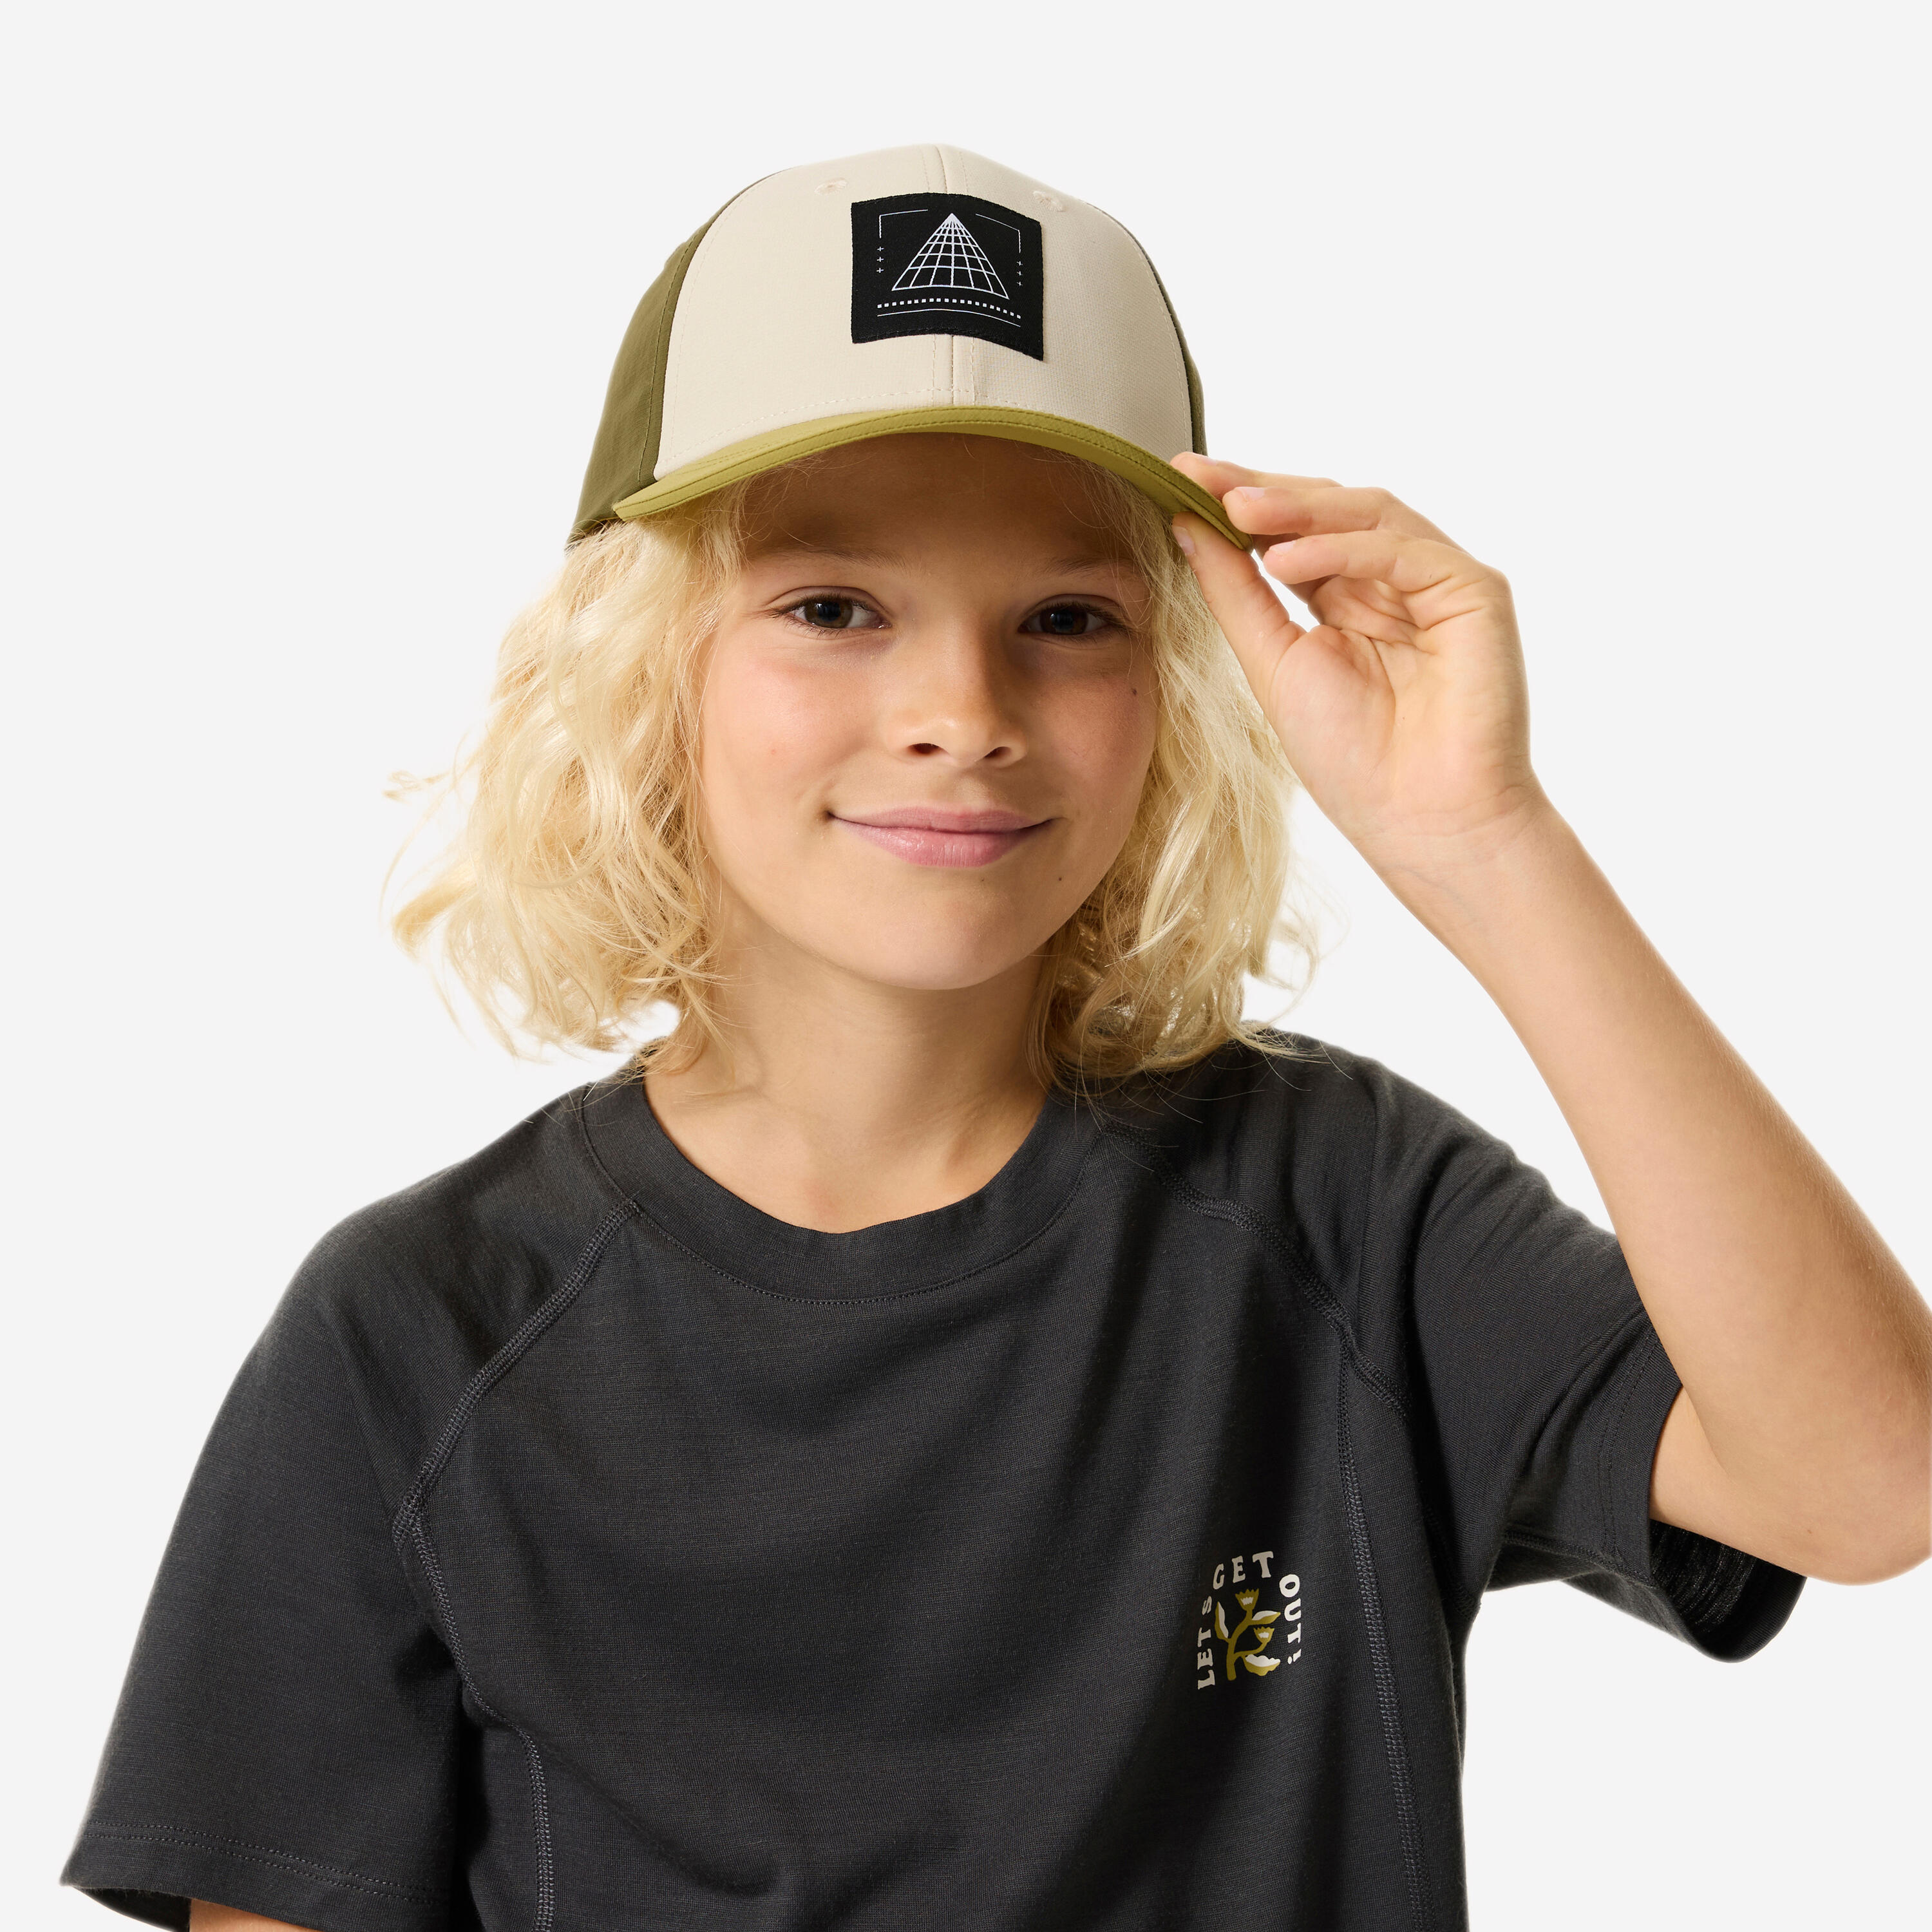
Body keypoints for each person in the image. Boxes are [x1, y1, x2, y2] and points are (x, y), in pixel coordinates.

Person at [62, 144, 1929, 1932]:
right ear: (641, 670)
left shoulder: (1342, 1208)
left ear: (1177, 686)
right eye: (833, 607)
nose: (961, 709)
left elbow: (1868, 1483)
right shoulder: (421, 1332)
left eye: (1066, 616)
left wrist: (1488, 846)